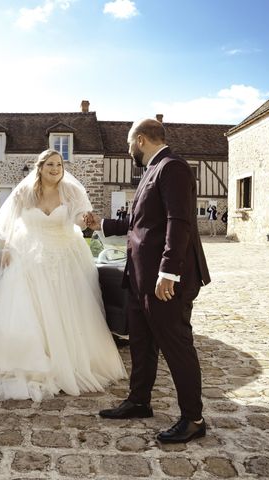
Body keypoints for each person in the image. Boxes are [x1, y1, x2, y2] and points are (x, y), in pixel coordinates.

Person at [85, 118, 211, 444]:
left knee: (177, 347)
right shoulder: (151, 172)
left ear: (140, 140)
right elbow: (139, 223)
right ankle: (139, 401)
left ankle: (193, 419)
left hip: (165, 281)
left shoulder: (173, 168)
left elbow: (178, 221)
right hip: (140, 279)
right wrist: (102, 223)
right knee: (141, 343)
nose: (129, 152)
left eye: (129, 145)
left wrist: (169, 271)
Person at [0, 149, 127, 402]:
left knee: (67, 312)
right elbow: (6, 224)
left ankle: (70, 365)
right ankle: (32, 365)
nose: (56, 169)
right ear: (40, 167)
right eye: (50, 164)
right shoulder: (24, 193)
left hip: (65, 259)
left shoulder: (71, 191)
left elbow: (79, 219)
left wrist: (86, 220)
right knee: (30, 313)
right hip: (29, 259)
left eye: (59, 164)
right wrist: (7, 247)